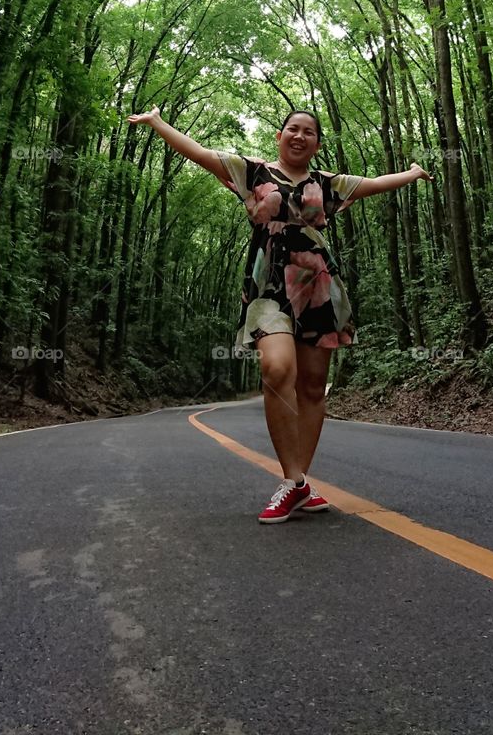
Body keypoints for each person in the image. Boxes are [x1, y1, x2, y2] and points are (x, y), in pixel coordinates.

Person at [126, 105, 433, 523]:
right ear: (279, 135)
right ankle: (292, 479)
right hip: (267, 284)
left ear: (317, 144)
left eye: (309, 132)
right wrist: (159, 124)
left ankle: (298, 482)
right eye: (293, 128)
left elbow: (377, 182)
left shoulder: (329, 183)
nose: (300, 136)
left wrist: (413, 173)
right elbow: (198, 153)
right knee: (276, 369)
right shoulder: (252, 172)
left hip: (318, 286)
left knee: (311, 387)